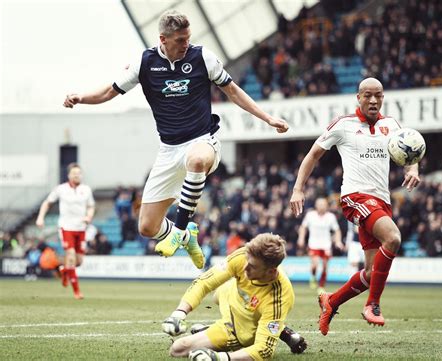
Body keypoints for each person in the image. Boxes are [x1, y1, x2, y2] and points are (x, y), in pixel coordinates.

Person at [63, 10, 289, 270]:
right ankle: (188, 236)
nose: (186, 44)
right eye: (180, 40)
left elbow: (233, 91)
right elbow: (107, 92)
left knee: (196, 159)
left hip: (203, 140)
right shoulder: (144, 63)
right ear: (163, 39)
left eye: (188, 38)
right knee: (147, 227)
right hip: (169, 150)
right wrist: (80, 97)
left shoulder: (202, 56)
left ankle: (180, 230)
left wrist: (268, 118)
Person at [290, 78, 421, 332]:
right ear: (358, 97)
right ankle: (372, 304)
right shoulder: (343, 125)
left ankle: (331, 301)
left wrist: (413, 167)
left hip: (381, 201)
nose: (373, 100)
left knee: (372, 274)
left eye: (378, 95)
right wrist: (298, 189)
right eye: (368, 95)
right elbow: (312, 155)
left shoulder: (391, 125)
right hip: (355, 198)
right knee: (393, 238)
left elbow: (410, 152)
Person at [162, 233, 307, 360]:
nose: (245, 269)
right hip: (230, 296)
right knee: (216, 294)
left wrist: (221, 357)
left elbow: (264, 351)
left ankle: (279, 329)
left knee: (178, 349)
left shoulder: (279, 298)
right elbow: (204, 282)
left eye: (253, 267)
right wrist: (179, 313)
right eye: (246, 261)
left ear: (271, 272)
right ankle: (281, 330)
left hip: (239, 329)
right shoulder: (244, 256)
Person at [36, 163, 95, 299]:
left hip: (81, 229)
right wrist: (40, 217)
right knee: (71, 255)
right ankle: (76, 291)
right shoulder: (61, 189)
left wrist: (89, 216)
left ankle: (63, 270)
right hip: (66, 227)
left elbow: (91, 206)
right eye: (74, 173)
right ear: (69, 175)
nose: (77, 175)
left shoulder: (86, 190)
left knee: (79, 261)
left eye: (79, 173)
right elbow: (47, 203)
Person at [297, 197, 343, 293]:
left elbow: (337, 230)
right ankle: (313, 276)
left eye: (323, 204)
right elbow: (303, 227)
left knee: (325, 266)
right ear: (316, 206)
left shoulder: (331, 217)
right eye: (320, 204)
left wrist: (338, 241)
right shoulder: (310, 215)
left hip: (326, 244)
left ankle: (321, 286)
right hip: (313, 244)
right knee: (315, 264)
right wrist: (301, 238)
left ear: (326, 206)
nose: (321, 206)